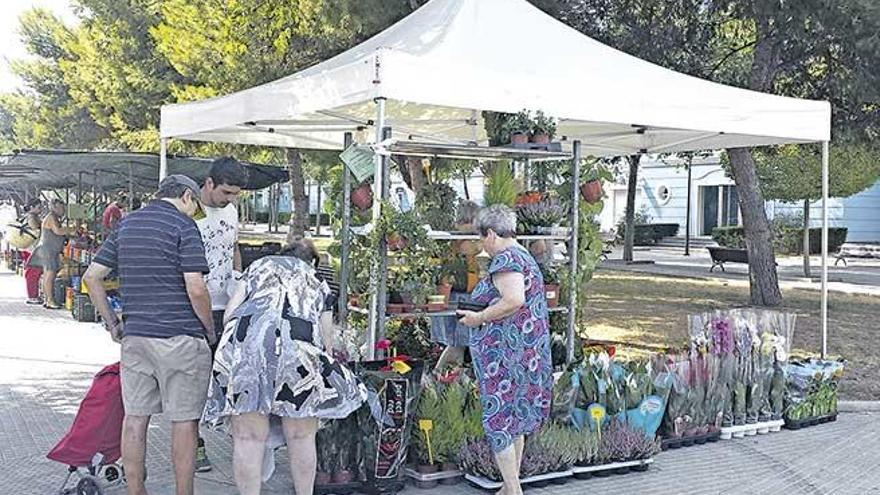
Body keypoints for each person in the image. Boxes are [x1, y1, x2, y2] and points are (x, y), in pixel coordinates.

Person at [82, 175, 215, 495]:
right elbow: (196, 287)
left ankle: (135, 491)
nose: (193, 212)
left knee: (135, 417)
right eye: (195, 206)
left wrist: (113, 322)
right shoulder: (184, 226)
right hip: (181, 338)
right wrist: (209, 329)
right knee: (184, 421)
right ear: (187, 196)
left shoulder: (126, 225)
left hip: (136, 339)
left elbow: (92, 277)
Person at [203, 238, 365, 495]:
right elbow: (325, 340)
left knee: (248, 438)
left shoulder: (256, 267)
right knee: (301, 436)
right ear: (311, 261)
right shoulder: (316, 279)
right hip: (298, 351)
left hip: (246, 348)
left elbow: (230, 313)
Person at [457, 205, 552, 495]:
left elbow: (513, 300)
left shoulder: (505, 259)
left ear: (490, 234)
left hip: (506, 356)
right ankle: (509, 488)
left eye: (481, 237)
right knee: (516, 420)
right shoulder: (523, 255)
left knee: (498, 421)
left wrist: (479, 318)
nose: (481, 244)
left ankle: (513, 490)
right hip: (526, 354)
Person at [193, 156, 248, 471]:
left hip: (228, 308)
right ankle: (196, 444)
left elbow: (234, 247)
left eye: (235, 195)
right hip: (196, 308)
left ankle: (240, 438)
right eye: (226, 193)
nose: (230, 200)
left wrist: (238, 280)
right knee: (197, 382)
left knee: (230, 377)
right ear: (209, 183)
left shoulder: (231, 210)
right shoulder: (191, 212)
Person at [26, 199, 67, 309]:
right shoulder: (51, 217)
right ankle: (49, 300)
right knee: (50, 274)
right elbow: (58, 231)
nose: (63, 210)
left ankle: (48, 299)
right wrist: (71, 229)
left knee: (49, 274)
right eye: (60, 207)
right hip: (48, 250)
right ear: (54, 207)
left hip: (51, 250)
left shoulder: (54, 217)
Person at [21, 199, 44, 304]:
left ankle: (34, 295)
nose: (40, 209)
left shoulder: (31, 216)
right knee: (33, 272)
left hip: (30, 248)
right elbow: (35, 227)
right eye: (39, 207)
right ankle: (32, 296)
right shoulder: (31, 217)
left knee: (34, 272)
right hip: (31, 249)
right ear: (32, 208)